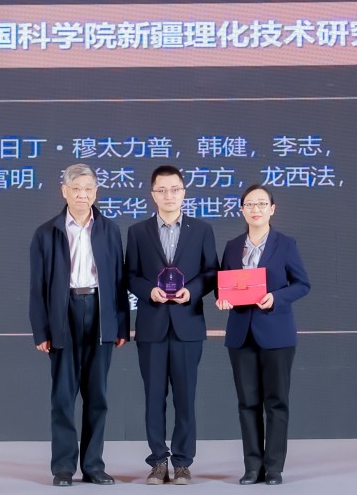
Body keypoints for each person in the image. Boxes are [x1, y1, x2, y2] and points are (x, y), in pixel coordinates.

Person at [29, 164, 129, 487]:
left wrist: (121, 325)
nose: (82, 195)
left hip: (100, 312)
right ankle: (62, 467)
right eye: (76, 189)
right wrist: (41, 330)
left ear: (95, 192)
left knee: (97, 396)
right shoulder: (46, 233)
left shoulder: (109, 230)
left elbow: (118, 280)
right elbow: (37, 287)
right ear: (64, 191)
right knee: (63, 396)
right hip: (63, 313)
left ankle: (93, 466)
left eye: (88, 189)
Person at [127, 165, 219, 485]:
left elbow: (211, 272)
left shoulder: (202, 229)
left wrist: (191, 292)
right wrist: (147, 291)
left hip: (187, 325)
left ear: (184, 192)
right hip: (152, 325)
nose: (169, 195)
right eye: (162, 190)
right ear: (153, 194)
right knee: (154, 398)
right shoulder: (138, 232)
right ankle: (157, 461)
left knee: (185, 398)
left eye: (175, 189)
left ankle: (182, 462)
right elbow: (130, 275)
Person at [215, 184, 310, 486]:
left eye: (261, 204)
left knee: (276, 402)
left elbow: (302, 284)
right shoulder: (232, 246)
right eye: (249, 204)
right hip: (240, 334)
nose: (255, 209)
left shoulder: (286, 244)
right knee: (247, 403)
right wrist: (222, 299)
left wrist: (276, 297)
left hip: (277, 333)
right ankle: (252, 467)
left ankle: (274, 467)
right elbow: (223, 286)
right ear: (242, 210)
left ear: (272, 209)